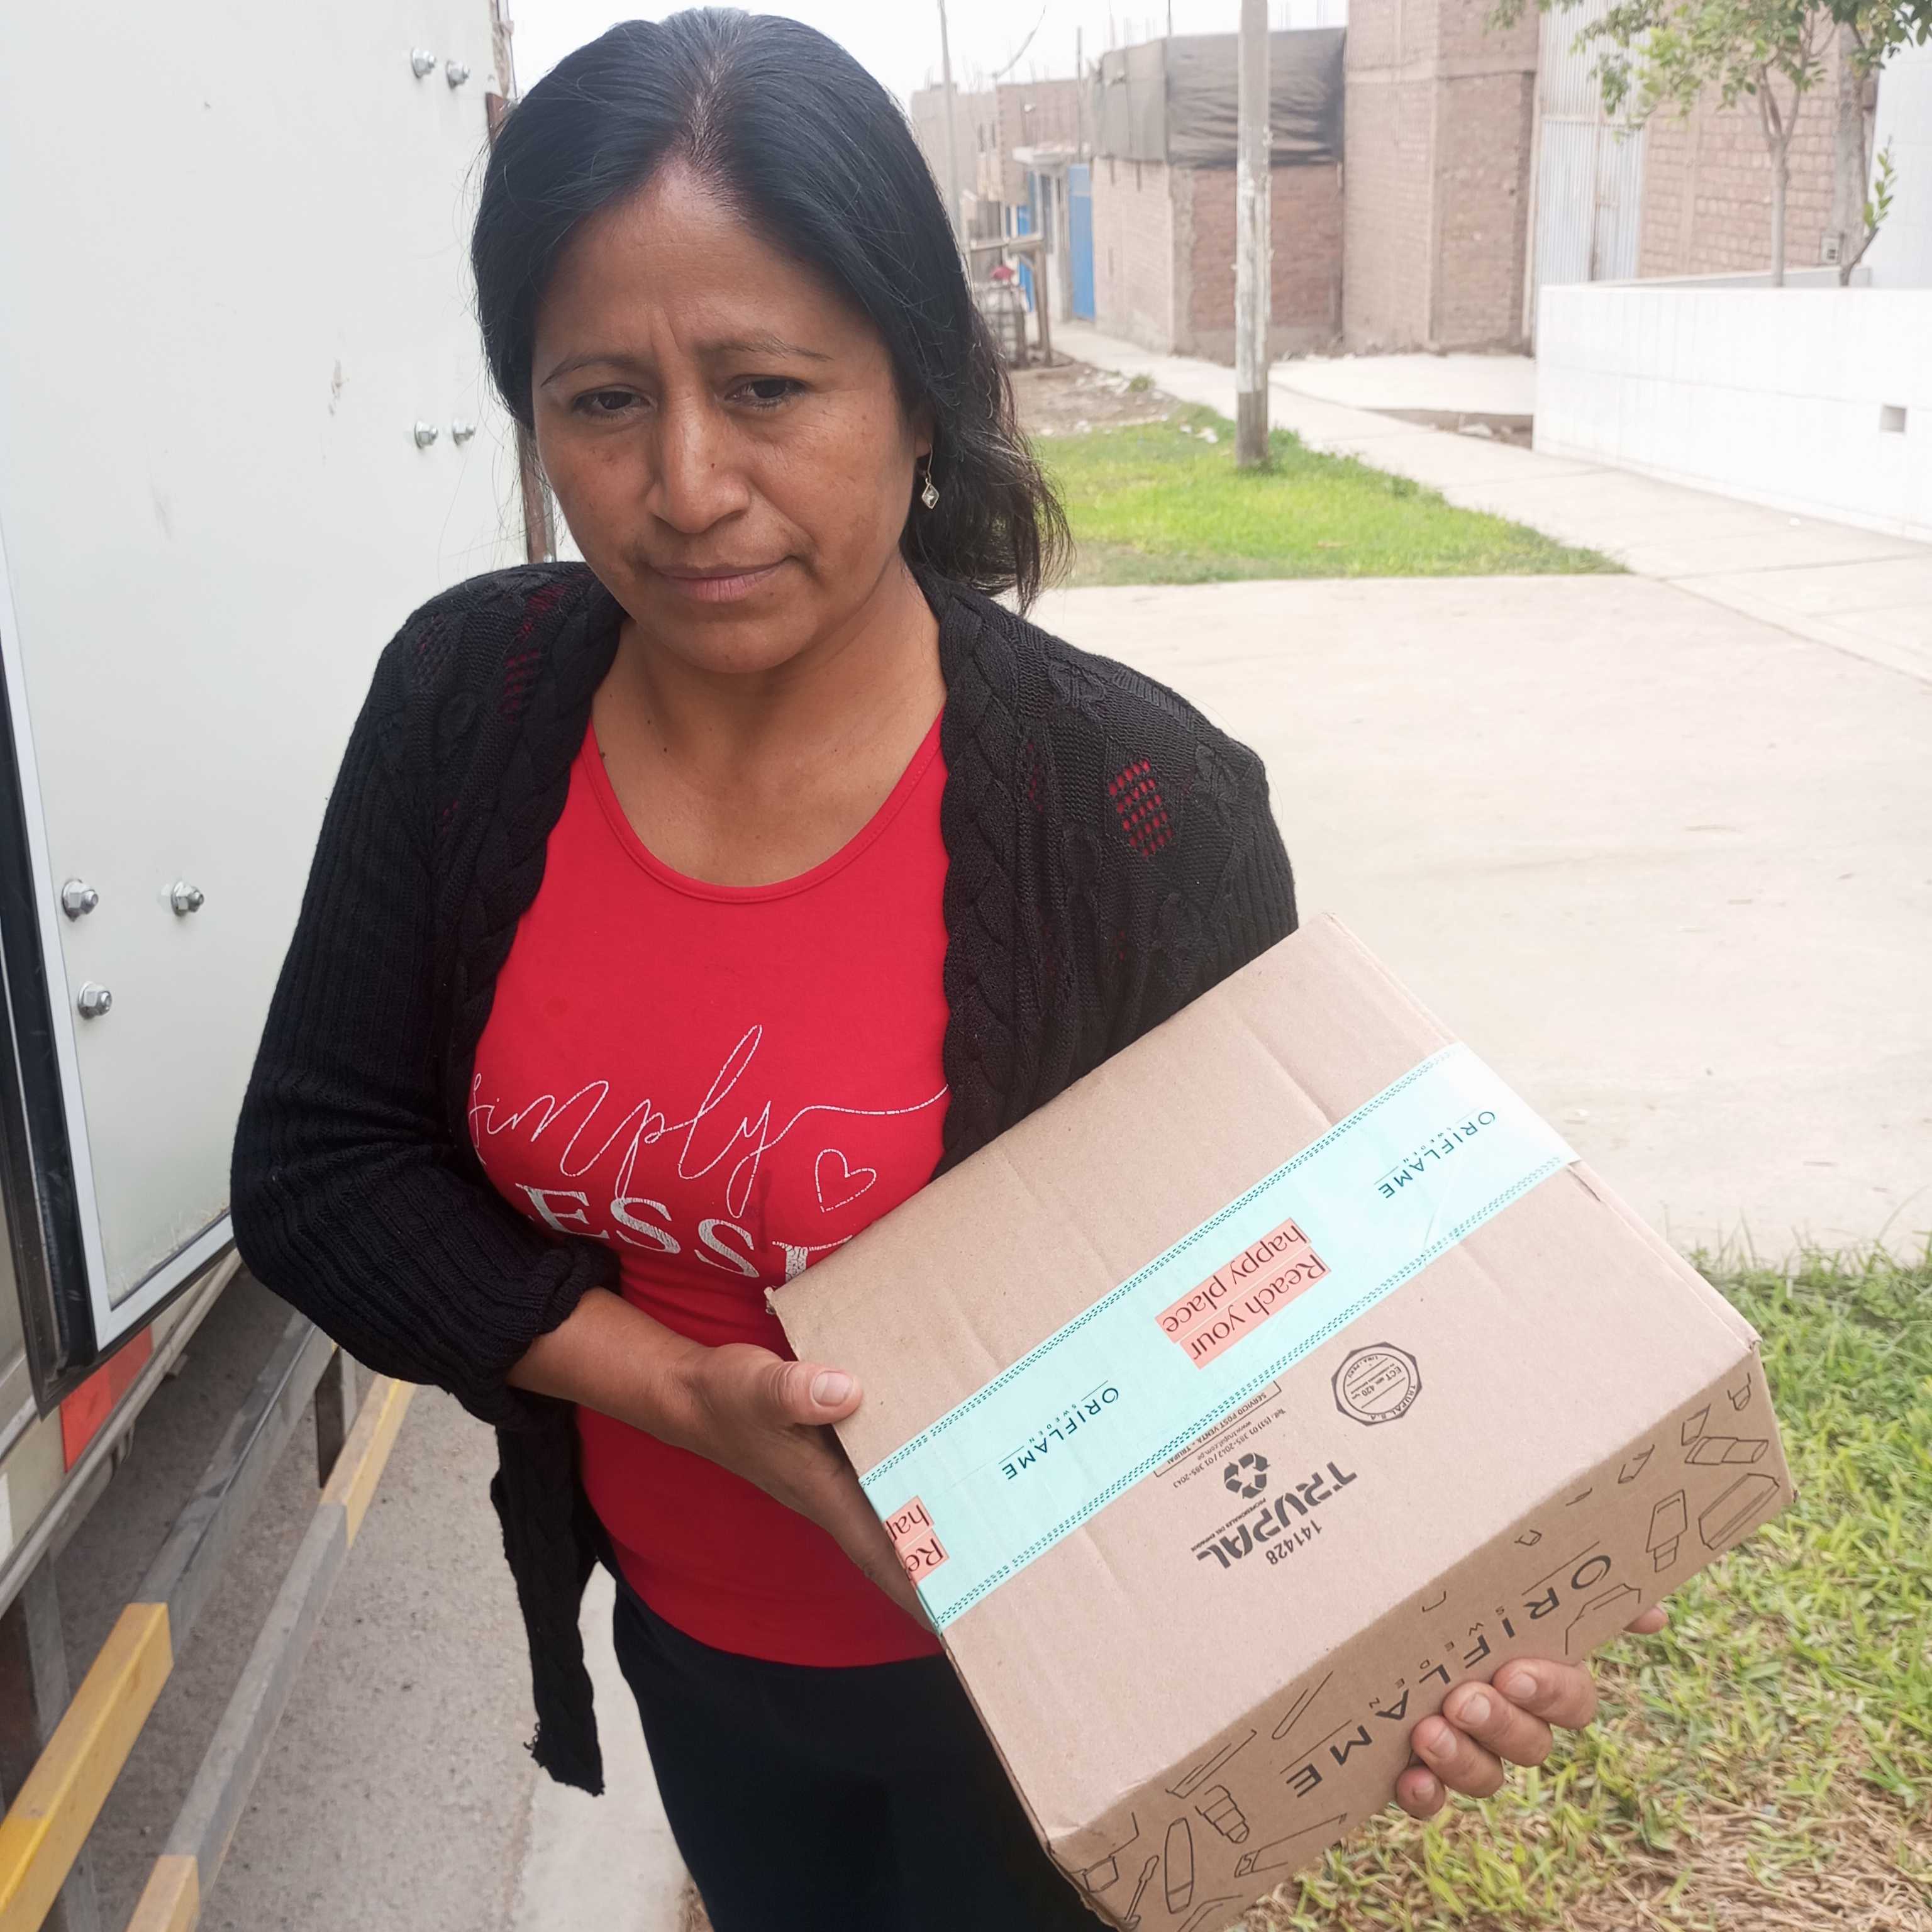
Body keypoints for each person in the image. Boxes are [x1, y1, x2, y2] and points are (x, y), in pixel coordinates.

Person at [231, 11, 1666, 1928]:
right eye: (601, 400)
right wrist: (680, 1392)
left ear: (921, 389)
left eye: (765, 387)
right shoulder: (465, 704)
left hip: (1055, 1708)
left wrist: (1448, 1622)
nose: (684, 483)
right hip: (690, 1649)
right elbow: (319, 1166)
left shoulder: (1133, 806)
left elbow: (1301, 1311)